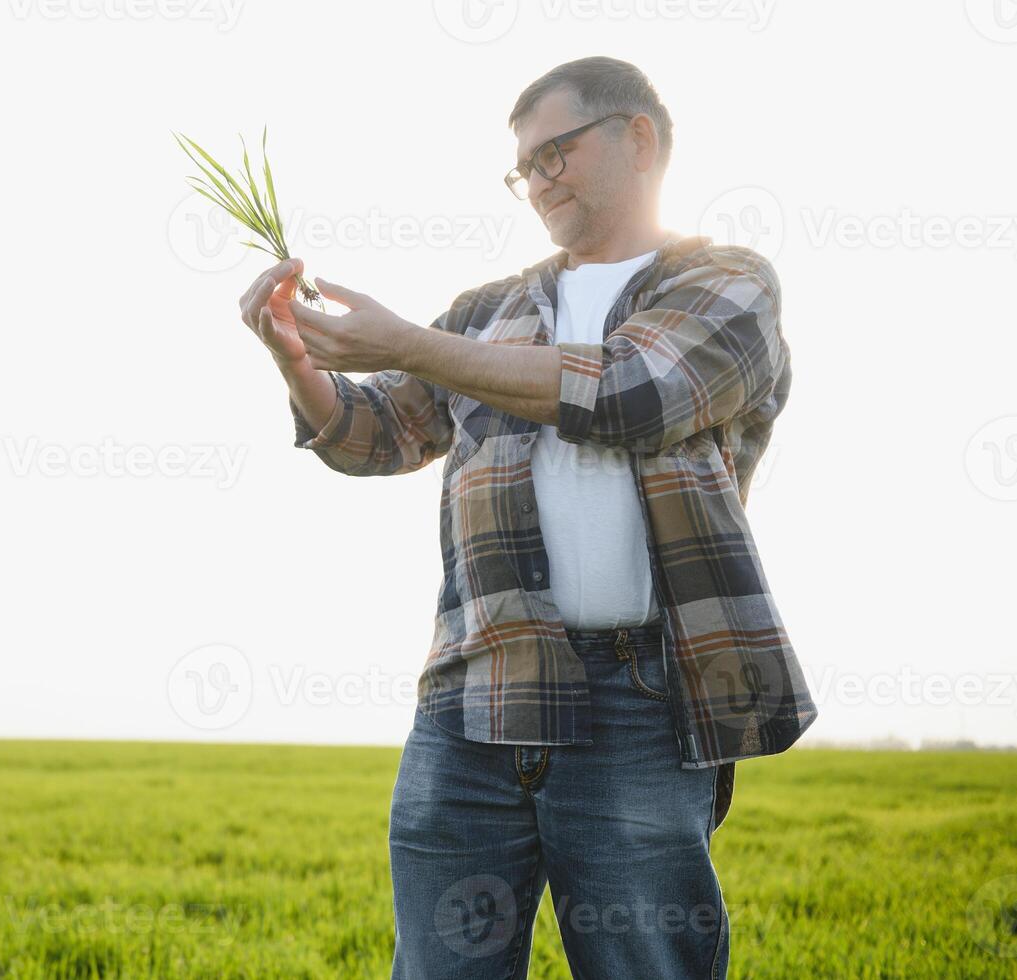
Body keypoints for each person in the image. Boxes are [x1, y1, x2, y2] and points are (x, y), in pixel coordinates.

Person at [236, 55, 818, 979]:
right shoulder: (486, 310)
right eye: (525, 168)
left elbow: (634, 390)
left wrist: (408, 343)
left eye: (557, 153)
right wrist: (297, 363)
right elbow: (376, 434)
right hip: (473, 692)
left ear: (639, 139)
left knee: (645, 966)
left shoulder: (725, 282)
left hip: (641, 700)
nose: (538, 182)